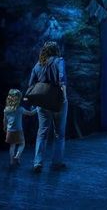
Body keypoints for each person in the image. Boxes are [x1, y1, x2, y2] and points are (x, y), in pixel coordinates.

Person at [28, 41, 68, 172]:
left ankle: (37, 163)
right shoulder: (59, 61)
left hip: (42, 103)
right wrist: (65, 96)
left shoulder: (38, 65)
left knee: (42, 132)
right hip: (58, 101)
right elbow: (62, 79)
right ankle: (57, 162)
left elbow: (31, 84)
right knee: (59, 134)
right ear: (56, 50)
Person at [3, 88, 36, 166]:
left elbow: (5, 120)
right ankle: (17, 156)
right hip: (19, 130)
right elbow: (30, 113)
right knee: (22, 144)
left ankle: (11, 161)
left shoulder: (6, 109)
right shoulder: (20, 109)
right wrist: (36, 109)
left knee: (12, 145)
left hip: (9, 130)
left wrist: (5, 127)